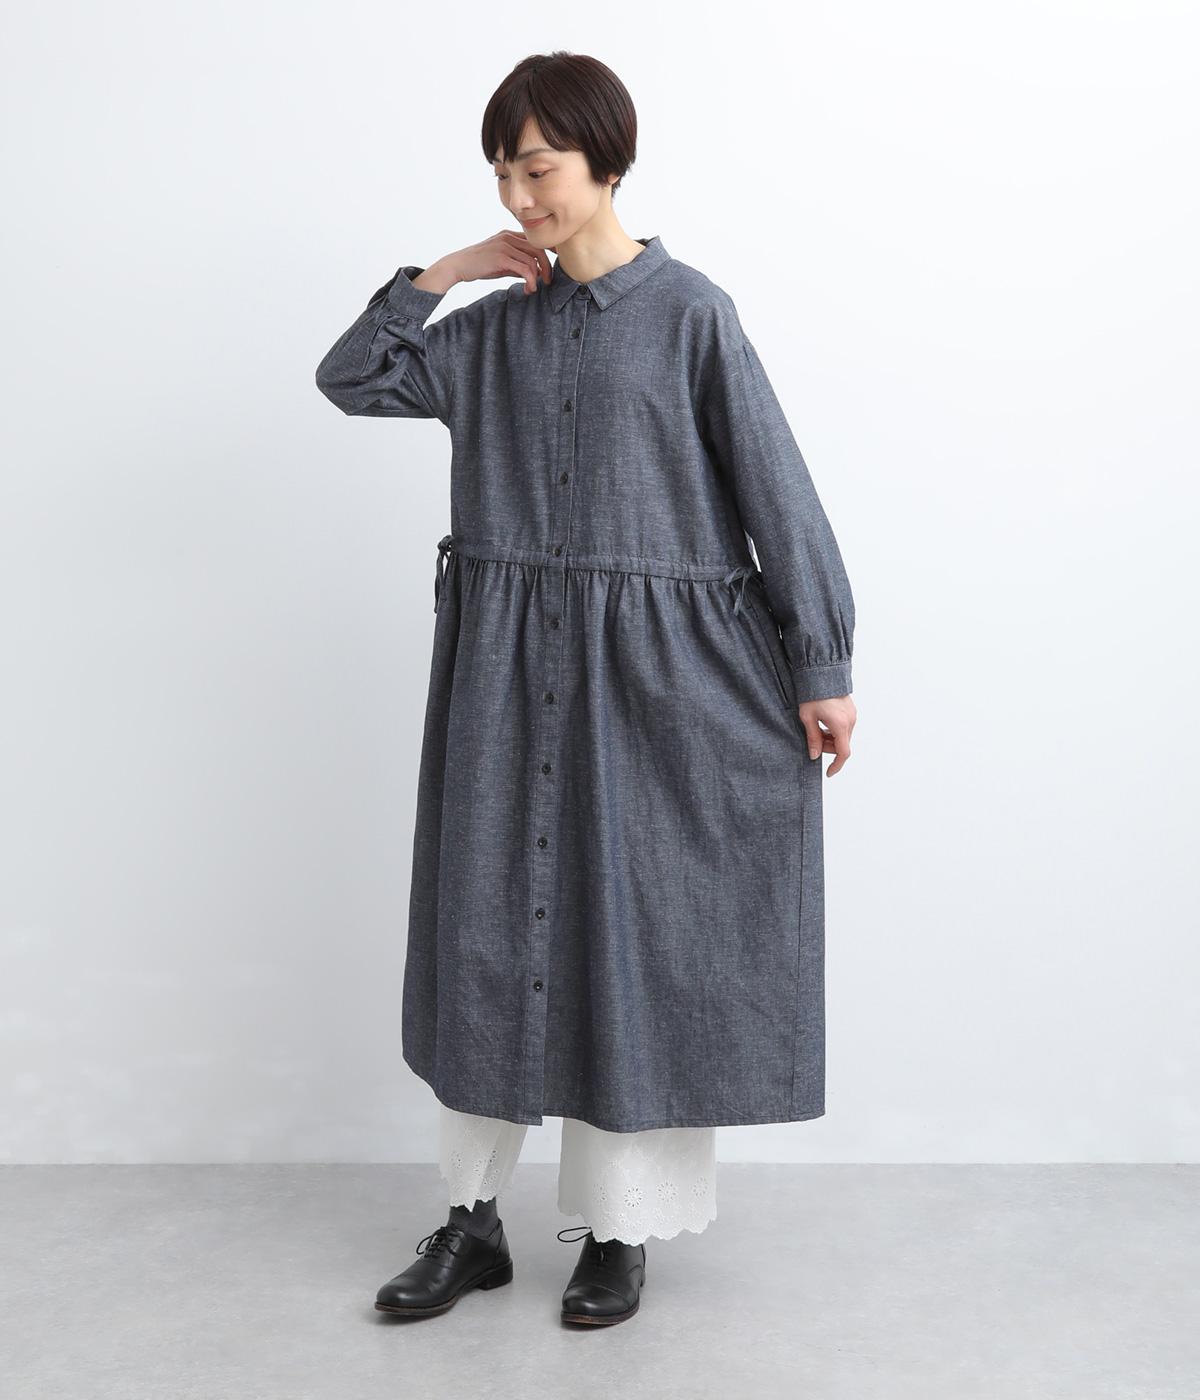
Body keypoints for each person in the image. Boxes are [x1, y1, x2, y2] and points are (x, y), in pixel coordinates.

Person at [315, 50, 857, 1328]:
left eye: (539, 169)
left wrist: (820, 662)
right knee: (486, 930)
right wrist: (441, 274)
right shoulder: (487, 331)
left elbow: (777, 490)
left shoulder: (694, 315)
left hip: (662, 687)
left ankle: (620, 1231)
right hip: (504, 683)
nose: (520, 197)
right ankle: (471, 1222)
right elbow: (352, 376)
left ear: (607, 161)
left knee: (641, 937)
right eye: (502, 174)